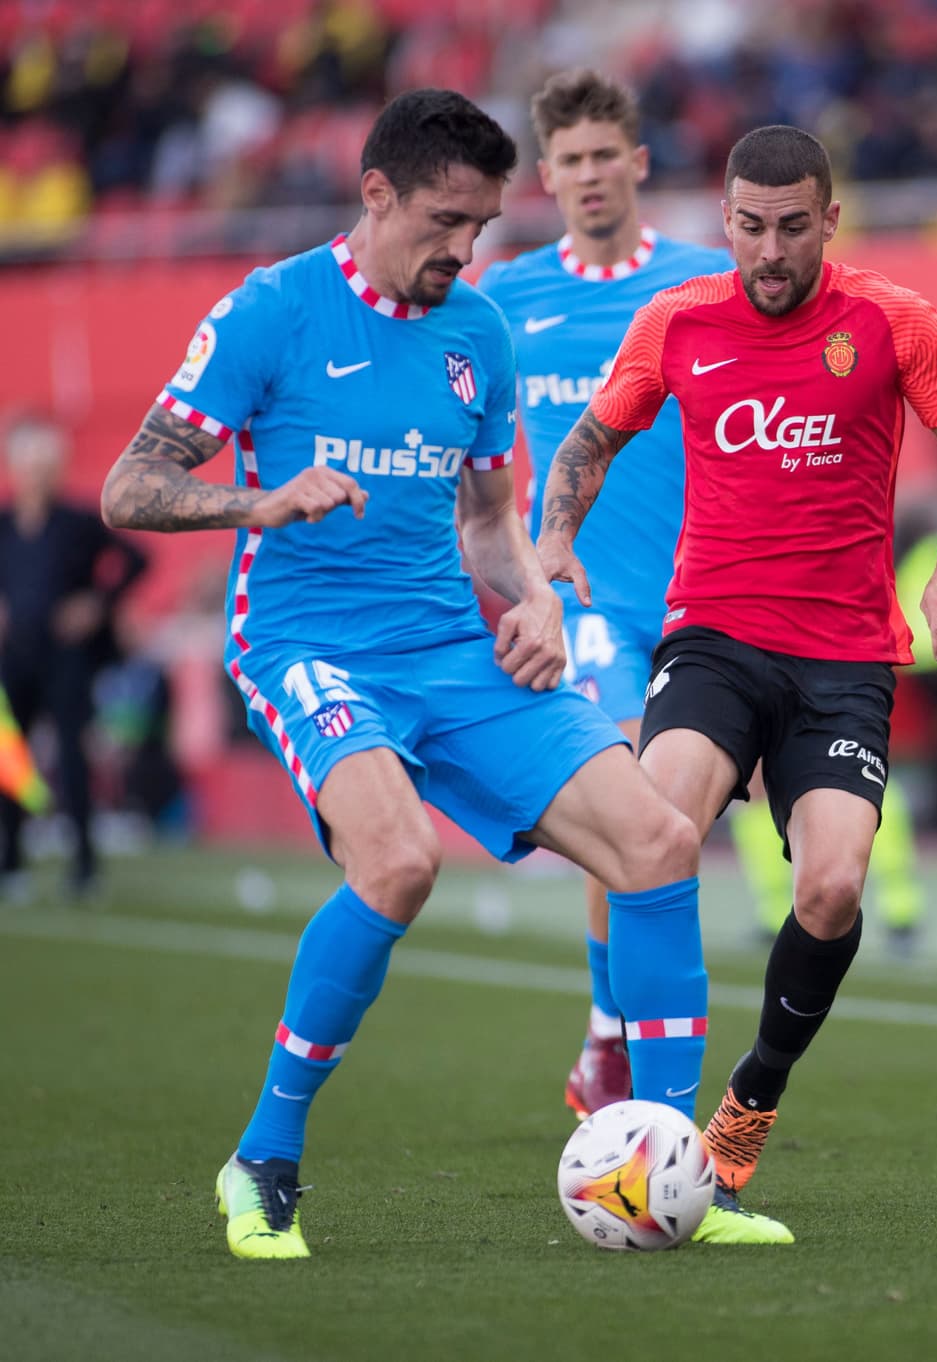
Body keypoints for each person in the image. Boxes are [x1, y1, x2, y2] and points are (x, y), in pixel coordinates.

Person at [100, 88, 727, 1262]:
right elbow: (127, 485)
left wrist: (535, 599)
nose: (462, 249)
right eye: (445, 221)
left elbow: (489, 519)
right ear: (374, 191)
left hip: (452, 645)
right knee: (397, 861)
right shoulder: (270, 312)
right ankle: (263, 1160)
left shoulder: (475, 330)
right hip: (311, 648)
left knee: (657, 840)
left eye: (482, 227)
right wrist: (255, 498)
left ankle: (676, 1165)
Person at [537, 124, 937, 1237]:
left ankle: (747, 1103)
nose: (766, 251)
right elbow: (585, 444)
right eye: (747, 228)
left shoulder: (890, 321)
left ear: (828, 222)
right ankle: (645, 1099)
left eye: (790, 229)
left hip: (844, 656)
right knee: (651, 829)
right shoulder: (677, 320)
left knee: (832, 889)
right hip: (712, 640)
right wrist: (557, 538)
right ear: (724, 222)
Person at [477, 69, 738, 1123]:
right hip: (582, 600)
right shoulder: (503, 298)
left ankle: (609, 1032)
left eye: (603, 157)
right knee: (623, 792)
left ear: (635, 163)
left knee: (672, 825)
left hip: (700, 597)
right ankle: (612, 1035)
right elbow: (475, 457)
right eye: (568, 161)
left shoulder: (704, 282)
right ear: (546, 176)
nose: (587, 176)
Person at [0, 412, 147, 899]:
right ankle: (11, 858)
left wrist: (96, 606)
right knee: (11, 760)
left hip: (65, 657)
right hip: (14, 656)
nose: (40, 473)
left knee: (71, 753)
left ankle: (83, 863)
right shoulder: (5, 524)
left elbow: (136, 559)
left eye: (49, 463)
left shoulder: (79, 522)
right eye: (31, 462)